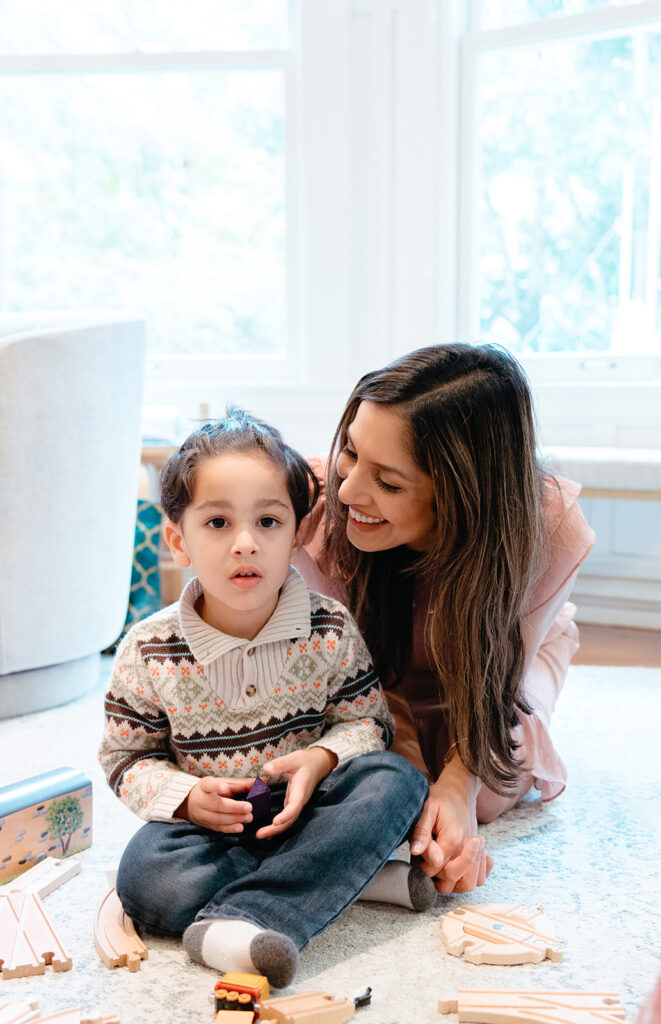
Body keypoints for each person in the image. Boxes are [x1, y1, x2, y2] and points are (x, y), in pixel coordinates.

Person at [98, 407, 430, 989]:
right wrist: (186, 797)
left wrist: (320, 759)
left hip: (312, 808)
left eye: (269, 522)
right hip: (212, 835)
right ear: (178, 540)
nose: (246, 543)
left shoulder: (329, 626)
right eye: (218, 524)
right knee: (145, 879)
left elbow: (369, 725)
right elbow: (125, 759)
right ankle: (345, 873)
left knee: (396, 781)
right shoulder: (148, 650)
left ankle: (248, 918)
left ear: (299, 534)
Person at [296, 343, 596, 898]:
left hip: (494, 667)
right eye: (351, 453)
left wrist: (457, 788)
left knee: (489, 789)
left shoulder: (548, 526)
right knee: (372, 777)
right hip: (374, 675)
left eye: (388, 482)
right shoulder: (312, 501)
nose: (349, 490)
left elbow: (497, 688)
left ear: (463, 494)